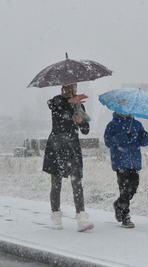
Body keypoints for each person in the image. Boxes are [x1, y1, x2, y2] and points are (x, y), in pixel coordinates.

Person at [42, 83, 94, 232]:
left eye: (73, 87)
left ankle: (82, 218)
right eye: (67, 87)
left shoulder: (79, 107)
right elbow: (53, 104)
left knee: (77, 181)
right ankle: (56, 217)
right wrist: (72, 100)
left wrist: (81, 122)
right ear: (62, 89)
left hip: (72, 146)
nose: (70, 90)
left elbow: (85, 130)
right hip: (57, 145)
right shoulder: (58, 101)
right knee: (56, 183)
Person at [104, 112, 148, 228]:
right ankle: (126, 216)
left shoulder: (137, 124)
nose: (126, 111)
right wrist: (124, 135)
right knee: (124, 189)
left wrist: (145, 136)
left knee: (133, 187)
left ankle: (119, 204)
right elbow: (108, 142)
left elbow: (144, 142)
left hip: (134, 161)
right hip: (120, 161)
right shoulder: (112, 124)